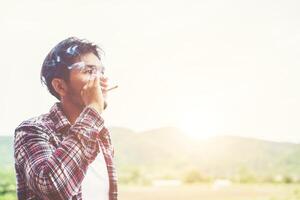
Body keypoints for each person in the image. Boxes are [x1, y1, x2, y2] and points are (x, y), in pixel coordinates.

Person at [14, 37, 118, 200]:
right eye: (89, 71)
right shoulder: (32, 130)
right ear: (60, 86)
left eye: (101, 71)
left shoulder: (102, 136)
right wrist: (94, 109)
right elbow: (52, 189)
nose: (101, 80)